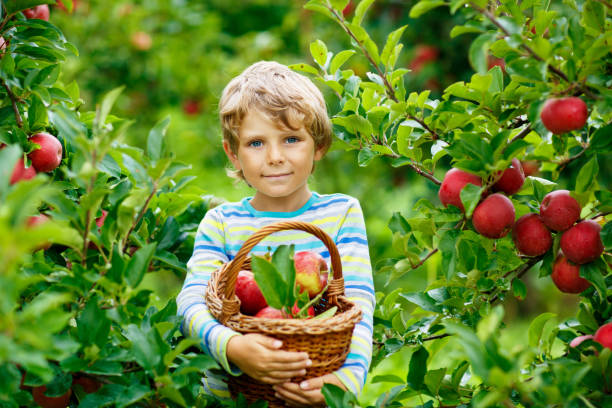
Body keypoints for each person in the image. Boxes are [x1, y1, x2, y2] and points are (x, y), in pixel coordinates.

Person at [176, 61, 375, 406]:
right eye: (255, 143)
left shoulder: (341, 215)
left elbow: (357, 304)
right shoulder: (221, 223)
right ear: (232, 154)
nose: (275, 157)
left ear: (319, 145)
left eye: (292, 139)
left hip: (312, 391)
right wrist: (232, 346)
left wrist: (345, 381)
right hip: (231, 399)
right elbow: (190, 304)